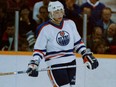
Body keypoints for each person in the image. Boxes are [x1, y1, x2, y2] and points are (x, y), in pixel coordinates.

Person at [26, 1, 99, 87]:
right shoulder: (44, 29)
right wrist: (34, 63)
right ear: (50, 13)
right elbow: (39, 50)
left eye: (61, 11)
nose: (60, 15)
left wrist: (85, 54)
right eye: (56, 12)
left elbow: (78, 43)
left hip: (71, 62)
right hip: (55, 63)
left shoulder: (70, 23)